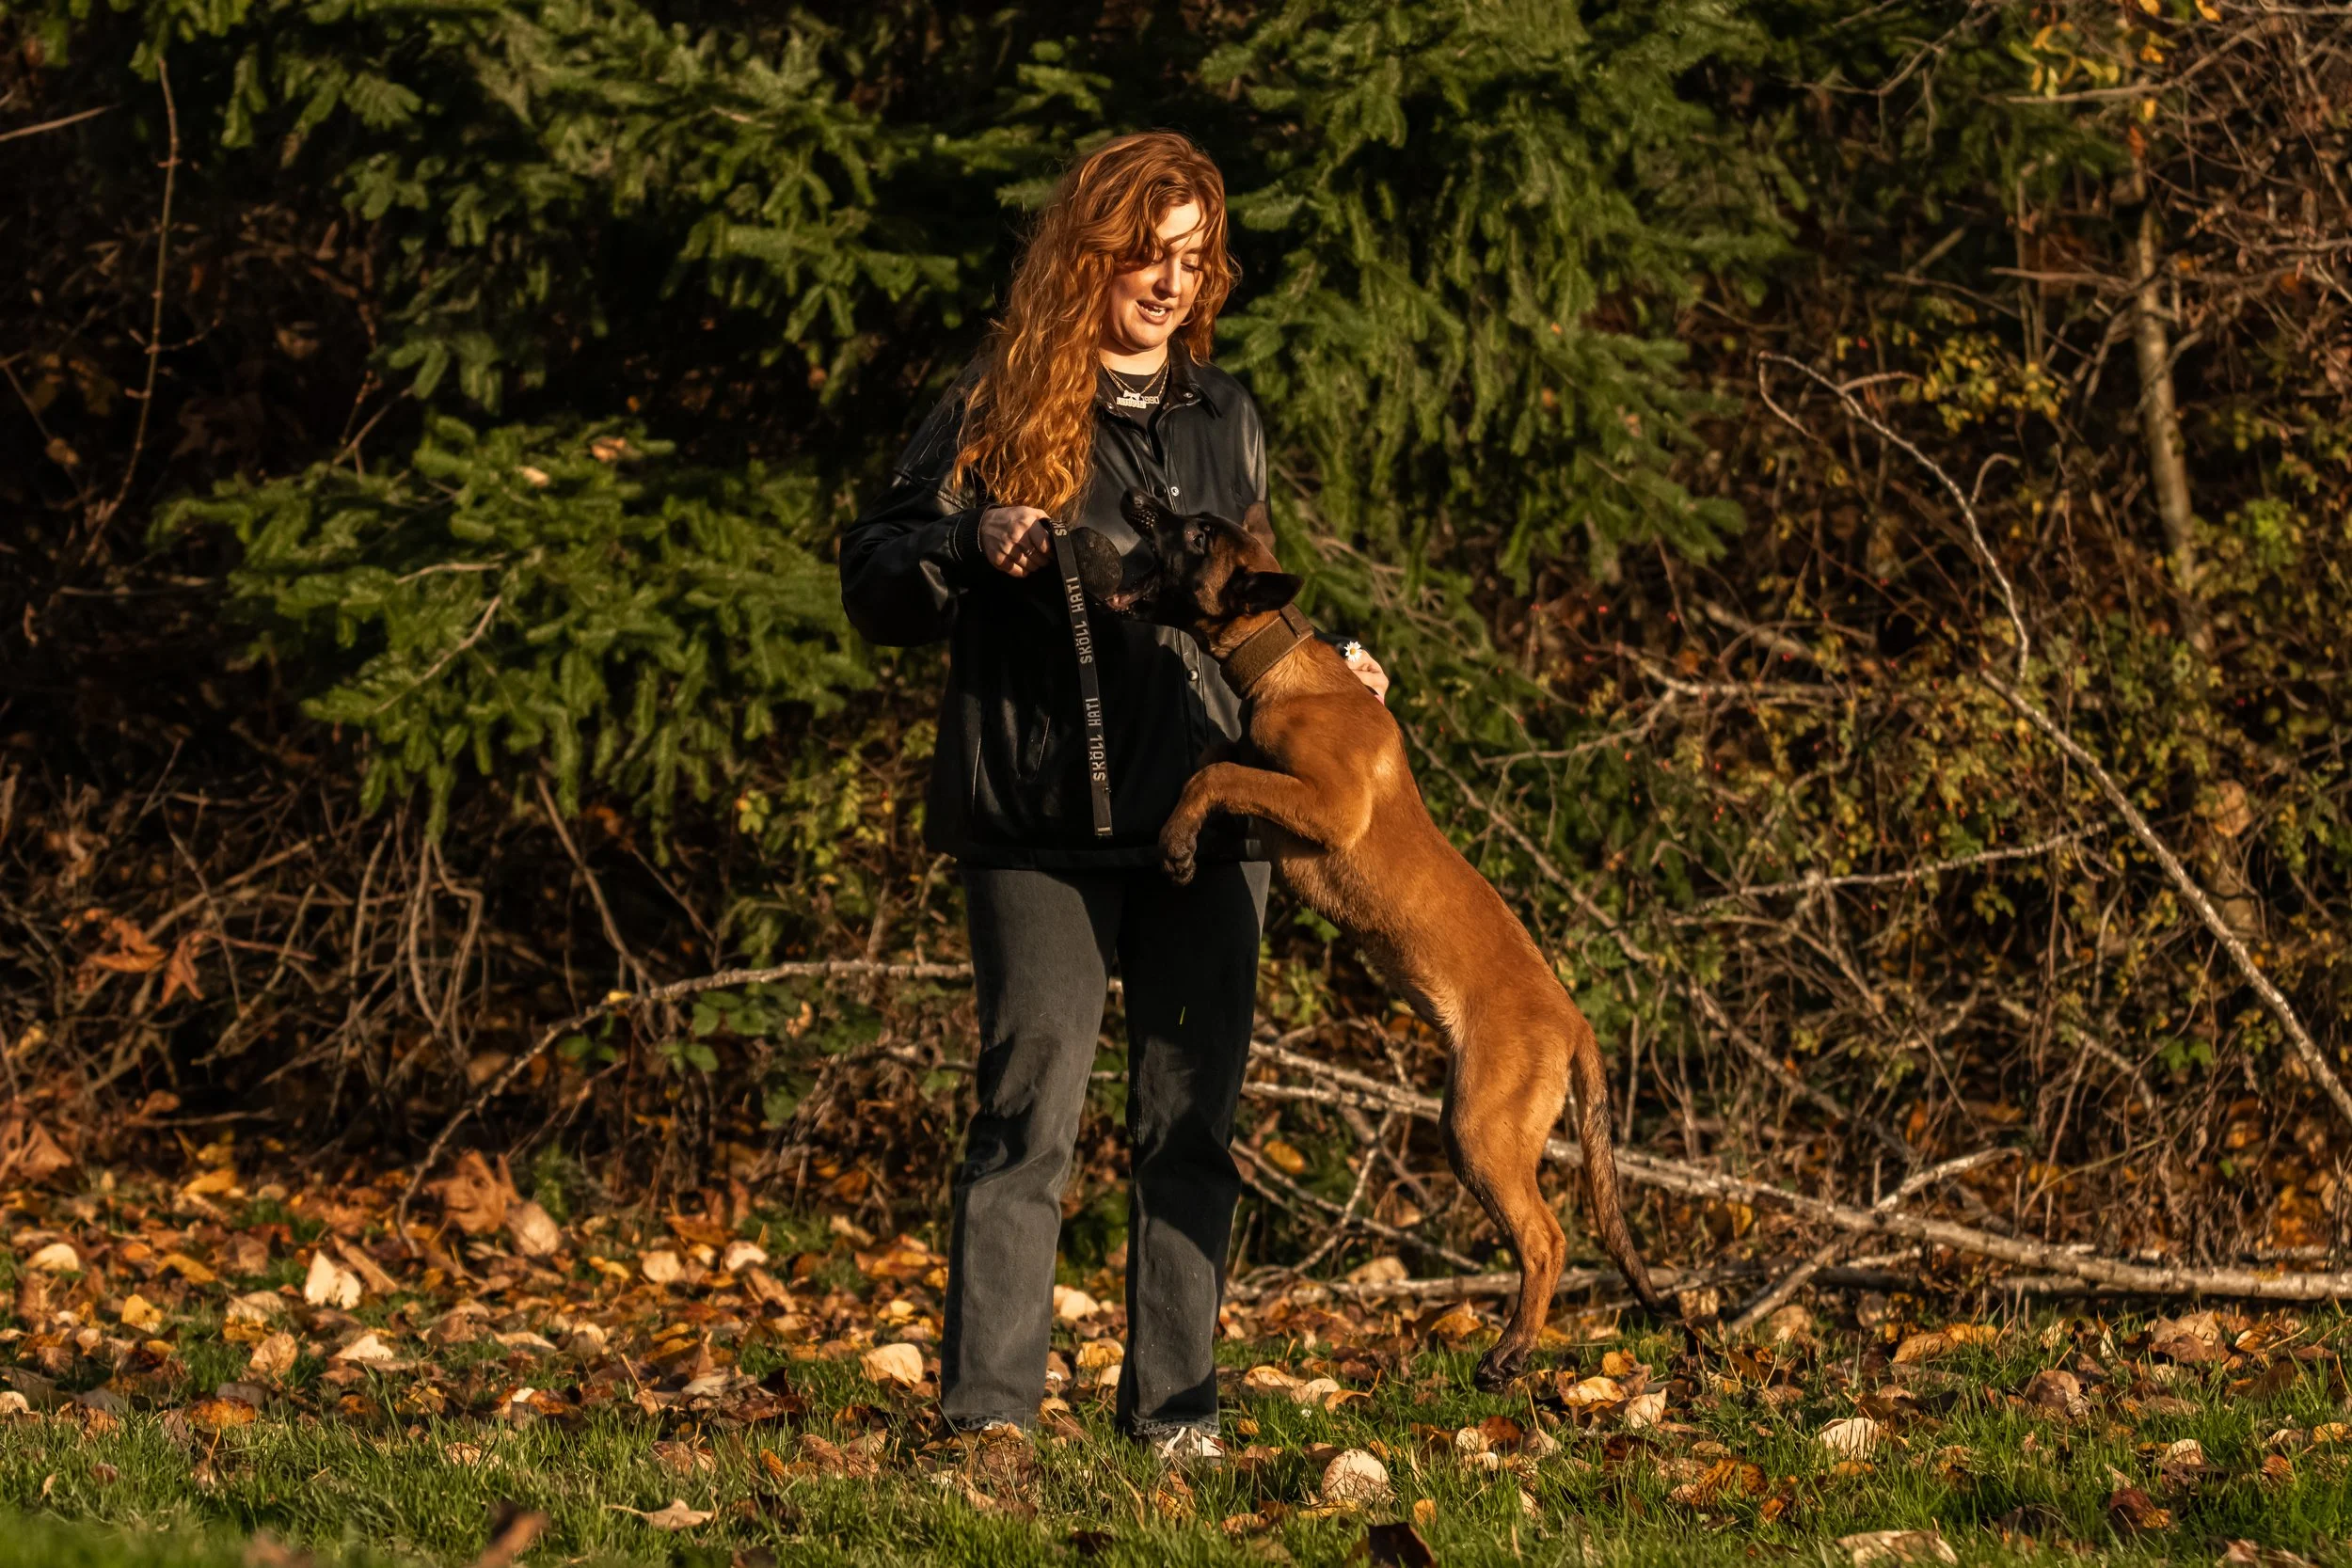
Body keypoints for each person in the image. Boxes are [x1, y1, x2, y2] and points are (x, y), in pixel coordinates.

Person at [838, 131, 1385, 1460]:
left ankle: (1175, 1421)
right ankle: (988, 1426)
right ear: (1095, 249)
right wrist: (969, 541)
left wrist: (1336, 673)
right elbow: (872, 569)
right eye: (1150, 251)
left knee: (1190, 1125)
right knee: (1028, 1123)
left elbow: (1250, 605)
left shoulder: (1225, 418)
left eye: (1194, 258)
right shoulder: (997, 398)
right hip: (1037, 823)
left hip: (1210, 826)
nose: (1169, 280)